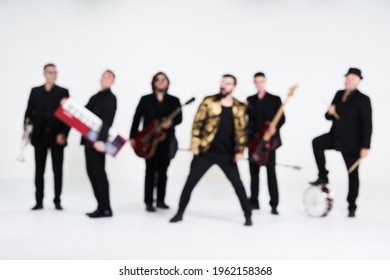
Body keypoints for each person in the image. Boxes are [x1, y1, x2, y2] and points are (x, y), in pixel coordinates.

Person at [170, 74, 252, 226]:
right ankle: (180, 212)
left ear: (234, 87)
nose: (223, 85)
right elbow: (197, 124)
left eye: (228, 83)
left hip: (227, 156)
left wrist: (240, 151)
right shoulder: (208, 101)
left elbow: (242, 131)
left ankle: (248, 215)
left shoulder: (239, 107)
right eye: (222, 82)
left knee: (238, 185)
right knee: (190, 182)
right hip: (205, 153)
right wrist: (194, 145)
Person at [310, 67, 372, 217]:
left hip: (352, 143)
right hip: (335, 136)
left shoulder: (363, 99)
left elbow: (367, 124)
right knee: (316, 142)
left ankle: (352, 205)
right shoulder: (339, 94)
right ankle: (323, 175)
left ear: (358, 81)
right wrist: (329, 112)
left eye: (352, 79)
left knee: (352, 174)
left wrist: (365, 146)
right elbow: (328, 116)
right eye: (347, 78)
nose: (349, 81)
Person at [130, 72, 182, 212]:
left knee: (163, 171)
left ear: (168, 83)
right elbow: (137, 118)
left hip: (166, 140)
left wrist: (170, 123)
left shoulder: (174, 100)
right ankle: (148, 202)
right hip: (149, 139)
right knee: (150, 171)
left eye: (164, 79)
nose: (161, 82)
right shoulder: (145, 99)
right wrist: (133, 136)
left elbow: (179, 118)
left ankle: (160, 200)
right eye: (158, 80)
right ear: (153, 83)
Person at [24, 63, 70, 211]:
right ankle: (39, 201)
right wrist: (25, 129)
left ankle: (57, 200)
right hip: (39, 137)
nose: (53, 75)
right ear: (44, 74)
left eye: (55, 72)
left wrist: (63, 133)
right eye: (50, 72)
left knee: (58, 171)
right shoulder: (35, 91)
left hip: (57, 137)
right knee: (39, 171)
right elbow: (28, 113)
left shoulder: (63, 92)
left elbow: (69, 117)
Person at [246, 72, 285, 215]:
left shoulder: (275, 99)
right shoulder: (250, 100)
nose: (259, 84)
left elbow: (282, 118)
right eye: (256, 81)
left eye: (261, 81)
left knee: (271, 173)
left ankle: (274, 204)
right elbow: (248, 120)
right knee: (254, 174)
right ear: (254, 83)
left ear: (265, 81)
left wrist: (275, 128)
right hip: (254, 141)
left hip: (269, 142)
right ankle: (254, 202)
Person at [82, 70, 117, 218]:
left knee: (99, 174)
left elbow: (107, 122)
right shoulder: (94, 97)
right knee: (92, 174)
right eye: (103, 76)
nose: (105, 78)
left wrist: (101, 141)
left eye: (108, 77)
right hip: (89, 142)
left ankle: (106, 208)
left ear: (113, 81)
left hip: (98, 143)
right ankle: (100, 206)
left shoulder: (111, 98)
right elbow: (82, 114)